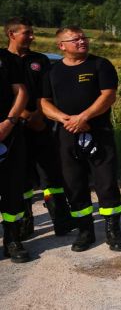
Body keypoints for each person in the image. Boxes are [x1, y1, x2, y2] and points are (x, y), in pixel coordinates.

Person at [40, 26, 121, 253]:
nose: (82, 42)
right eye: (75, 39)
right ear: (61, 46)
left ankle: (113, 231)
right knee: (74, 185)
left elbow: (108, 96)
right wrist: (65, 119)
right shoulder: (52, 72)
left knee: (106, 183)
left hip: (99, 133)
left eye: (83, 38)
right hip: (66, 134)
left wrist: (84, 117)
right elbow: (44, 102)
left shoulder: (100, 65)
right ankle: (85, 232)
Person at [4, 18, 74, 238]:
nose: (32, 37)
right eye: (27, 33)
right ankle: (25, 224)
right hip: (13, 127)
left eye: (32, 32)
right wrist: (23, 115)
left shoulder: (40, 60)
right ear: (11, 34)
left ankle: (61, 220)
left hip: (41, 123)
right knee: (20, 178)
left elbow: (47, 92)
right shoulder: (2, 59)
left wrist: (38, 116)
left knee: (51, 174)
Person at [0, 24, 30, 262]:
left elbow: (21, 92)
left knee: (12, 190)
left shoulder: (7, 59)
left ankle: (12, 239)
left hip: (8, 133)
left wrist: (9, 122)